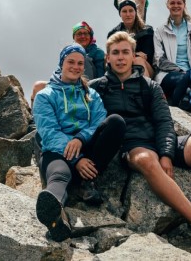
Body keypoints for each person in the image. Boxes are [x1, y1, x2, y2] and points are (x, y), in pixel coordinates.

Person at [90, 31, 191, 257]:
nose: (120, 57)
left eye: (125, 52)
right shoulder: (96, 88)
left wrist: (167, 154)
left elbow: (163, 121)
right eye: (115, 53)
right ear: (107, 58)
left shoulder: (149, 85)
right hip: (132, 146)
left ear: (134, 57)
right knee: (147, 159)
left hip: (160, 140)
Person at [34, 44, 126, 242]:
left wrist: (80, 139)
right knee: (60, 174)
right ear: (61, 63)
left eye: (80, 64)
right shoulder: (45, 96)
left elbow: (98, 120)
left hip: (87, 148)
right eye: (71, 62)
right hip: (58, 152)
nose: (75, 67)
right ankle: (55, 214)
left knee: (116, 122)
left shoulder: (91, 95)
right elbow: (49, 133)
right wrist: (77, 160)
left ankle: (84, 181)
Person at [30, 21, 105, 106]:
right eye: (79, 34)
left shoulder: (98, 53)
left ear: (90, 36)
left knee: (85, 59)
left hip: (87, 85)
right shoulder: (68, 52)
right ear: (74, 37)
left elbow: (101, 77)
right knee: (38, 86)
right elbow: (58, 72)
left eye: (86, 33)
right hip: (64, 84)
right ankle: (33, 116)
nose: (83, 36)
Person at [107, 0, 155, 78]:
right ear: (120, 14)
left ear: (135, 12)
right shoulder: (114, 33)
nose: (128, 14)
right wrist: (135, 54)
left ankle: (146, 88)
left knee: (138, 60)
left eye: (131, 11)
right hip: (122, 64)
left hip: (146, 67)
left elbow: (147, 56)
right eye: (124, 11)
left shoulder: (147, 30)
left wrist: (133, 56)